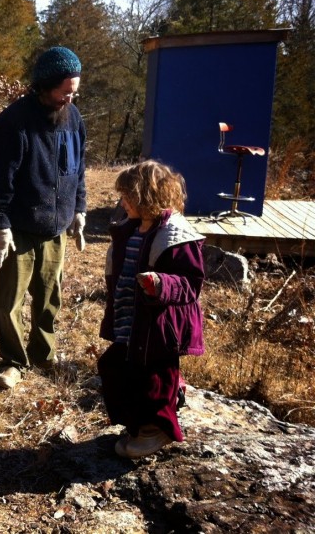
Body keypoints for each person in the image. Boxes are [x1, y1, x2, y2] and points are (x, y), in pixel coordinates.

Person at [0, 46, 88, 390]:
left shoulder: (73, 119)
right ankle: (13, 361)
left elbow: (79, 170)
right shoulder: (13, 123)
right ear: (44, 85)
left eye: (74, 90)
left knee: (49, 297)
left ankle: (44, 354)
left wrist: (80, 209)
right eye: (64, 91)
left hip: (56, 226)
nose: (70, 97)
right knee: (9, 301)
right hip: (19, 229)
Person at [98, 160, 206, 459]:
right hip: (129, 319)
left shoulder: (175, 236)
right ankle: (137, 424)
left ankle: (157, 428)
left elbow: (191, 283)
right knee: (117, 367)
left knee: (155, 377)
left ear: (146, 196)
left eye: (127, 197)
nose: (122, 203)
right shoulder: (130, 229)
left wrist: (161, 284)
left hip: (159, 324)